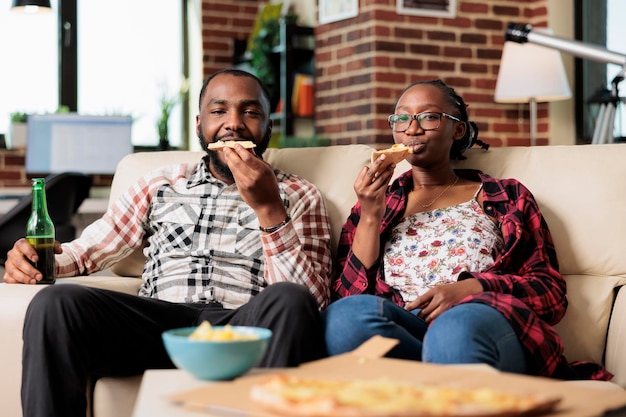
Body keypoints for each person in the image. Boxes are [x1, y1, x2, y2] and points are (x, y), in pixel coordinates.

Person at [3, 68, 332, 417]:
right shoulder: (159, 182)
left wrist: (269, 208)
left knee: (290, 299)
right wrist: (36, 263)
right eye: (218, 111)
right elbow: (89, 249)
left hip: (242, 329)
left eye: (250, 112)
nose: (233, 124)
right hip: (159, 325)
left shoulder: (300, 195)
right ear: (198, 124)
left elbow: (311, 303)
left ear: (268, 127)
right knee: (56, 303)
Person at [322, 79, 611, 381]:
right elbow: (348, 296)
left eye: (429, 117)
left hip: (482, 322)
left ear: (458, 129)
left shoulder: (505, 196)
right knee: (343, 319)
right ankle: (436, 385)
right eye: (402, 118)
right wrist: (370, 214)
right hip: (407, 332)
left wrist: (472, 289)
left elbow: (550, 293)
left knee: (454, 328)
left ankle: (431, 378)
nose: (412, 128)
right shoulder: (376, 203)